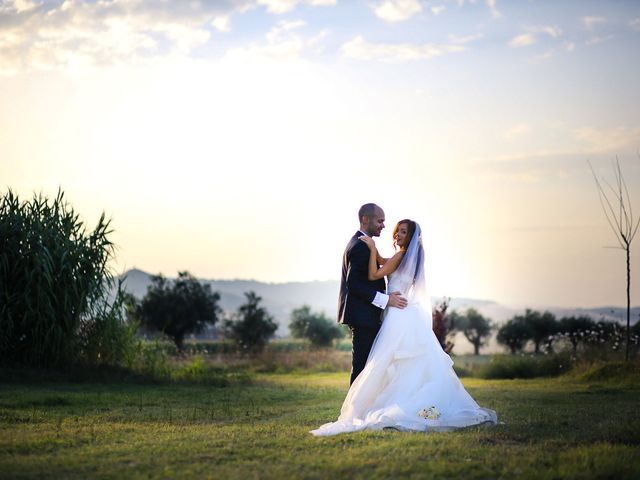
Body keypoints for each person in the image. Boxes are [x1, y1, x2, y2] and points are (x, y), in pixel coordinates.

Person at [311, 218, 498, 436]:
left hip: (397, 314)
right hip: (402, 312)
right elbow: (383, 260)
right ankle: (388, 401)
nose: (397, 235)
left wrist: (371, 247)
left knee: (385, 358)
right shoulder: (406, 256)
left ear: (410, 236)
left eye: (402, 232)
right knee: (397, 360)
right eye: (397, 231)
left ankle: (372, 405)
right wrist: (376, 253)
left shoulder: (401, 255)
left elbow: (374, 274)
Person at [338, 203, 408, 386]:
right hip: (363, 316)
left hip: (366, 315)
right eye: (380, 221)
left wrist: (374, 249)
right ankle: (353, 411)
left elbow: (383, 264)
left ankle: (363, 409)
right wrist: (387, 300)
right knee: (362, 366)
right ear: (365, 219)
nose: (383, 225)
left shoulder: (363, 243)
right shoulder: (360, 246)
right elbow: (354, 284)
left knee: (369, 366)